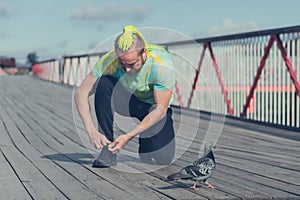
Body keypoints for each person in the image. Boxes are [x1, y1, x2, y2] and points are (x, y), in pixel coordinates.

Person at [75, 25, 176, 167]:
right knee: (103, 83)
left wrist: (129, 136)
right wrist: (91, 131)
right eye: (123, 64)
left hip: (153, 108)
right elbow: (81, 93)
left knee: (163, 158)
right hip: (127, 102)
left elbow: (160, 109)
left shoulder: (161, 63)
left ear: (144, 53)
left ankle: (146, 136)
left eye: (132, 64)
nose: (127, 69)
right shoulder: (109, 60)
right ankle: (108, 150)